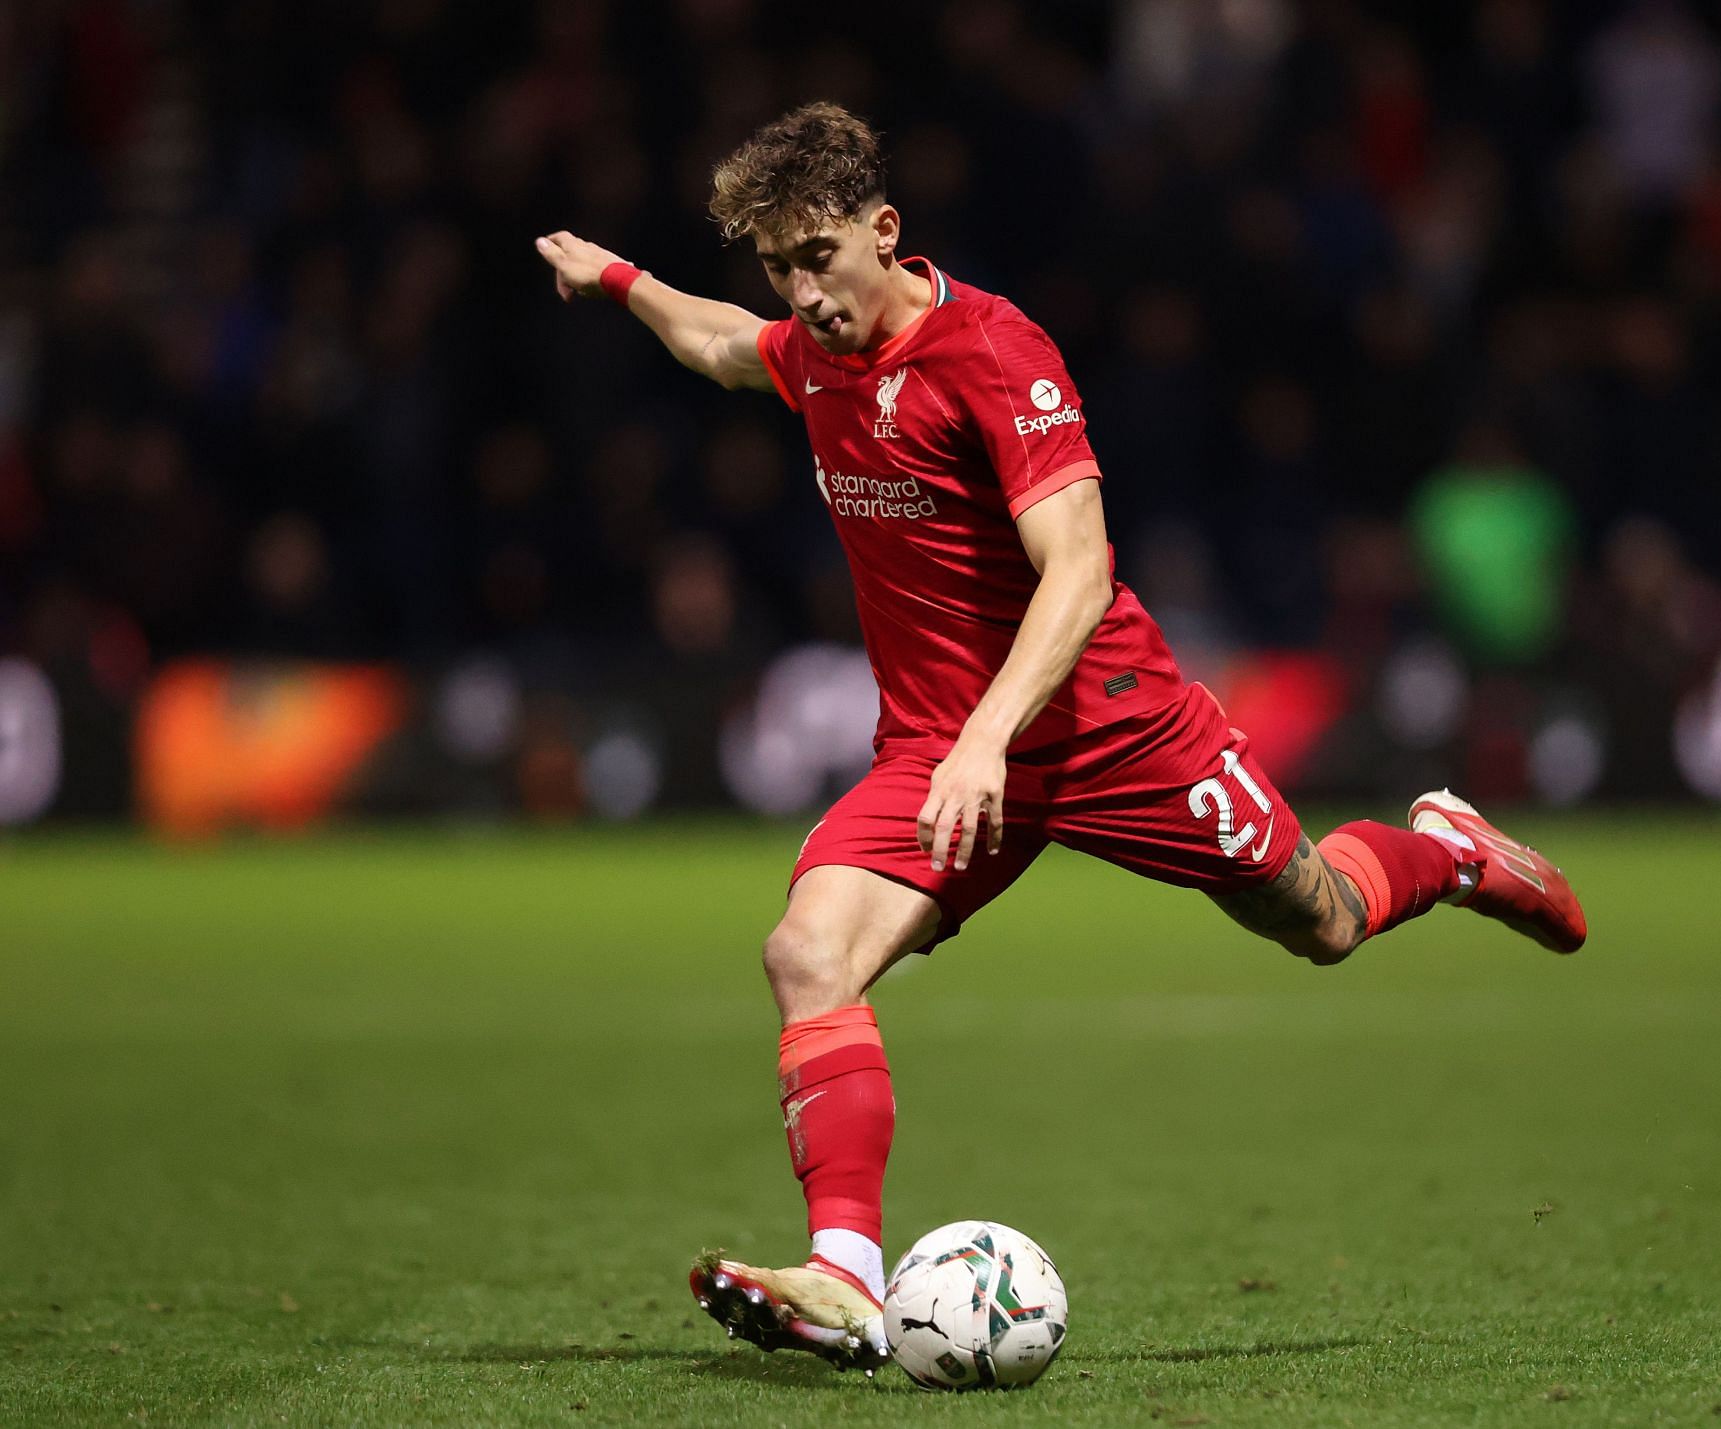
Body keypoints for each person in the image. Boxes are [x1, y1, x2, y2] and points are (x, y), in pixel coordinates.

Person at [534, 103, 1586, 1374]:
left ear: (884, 229)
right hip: (940, 751)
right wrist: (623, 281)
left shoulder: (992, 351)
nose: (803, 296)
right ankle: (847, 1275)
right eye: (778, 269)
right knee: (807, 953)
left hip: (1106, 726)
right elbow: (721, 349)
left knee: (1318, 918)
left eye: (819, 257)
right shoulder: (814, 352)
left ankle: (1451, 851)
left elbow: (1078, 569)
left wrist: (989, 739)